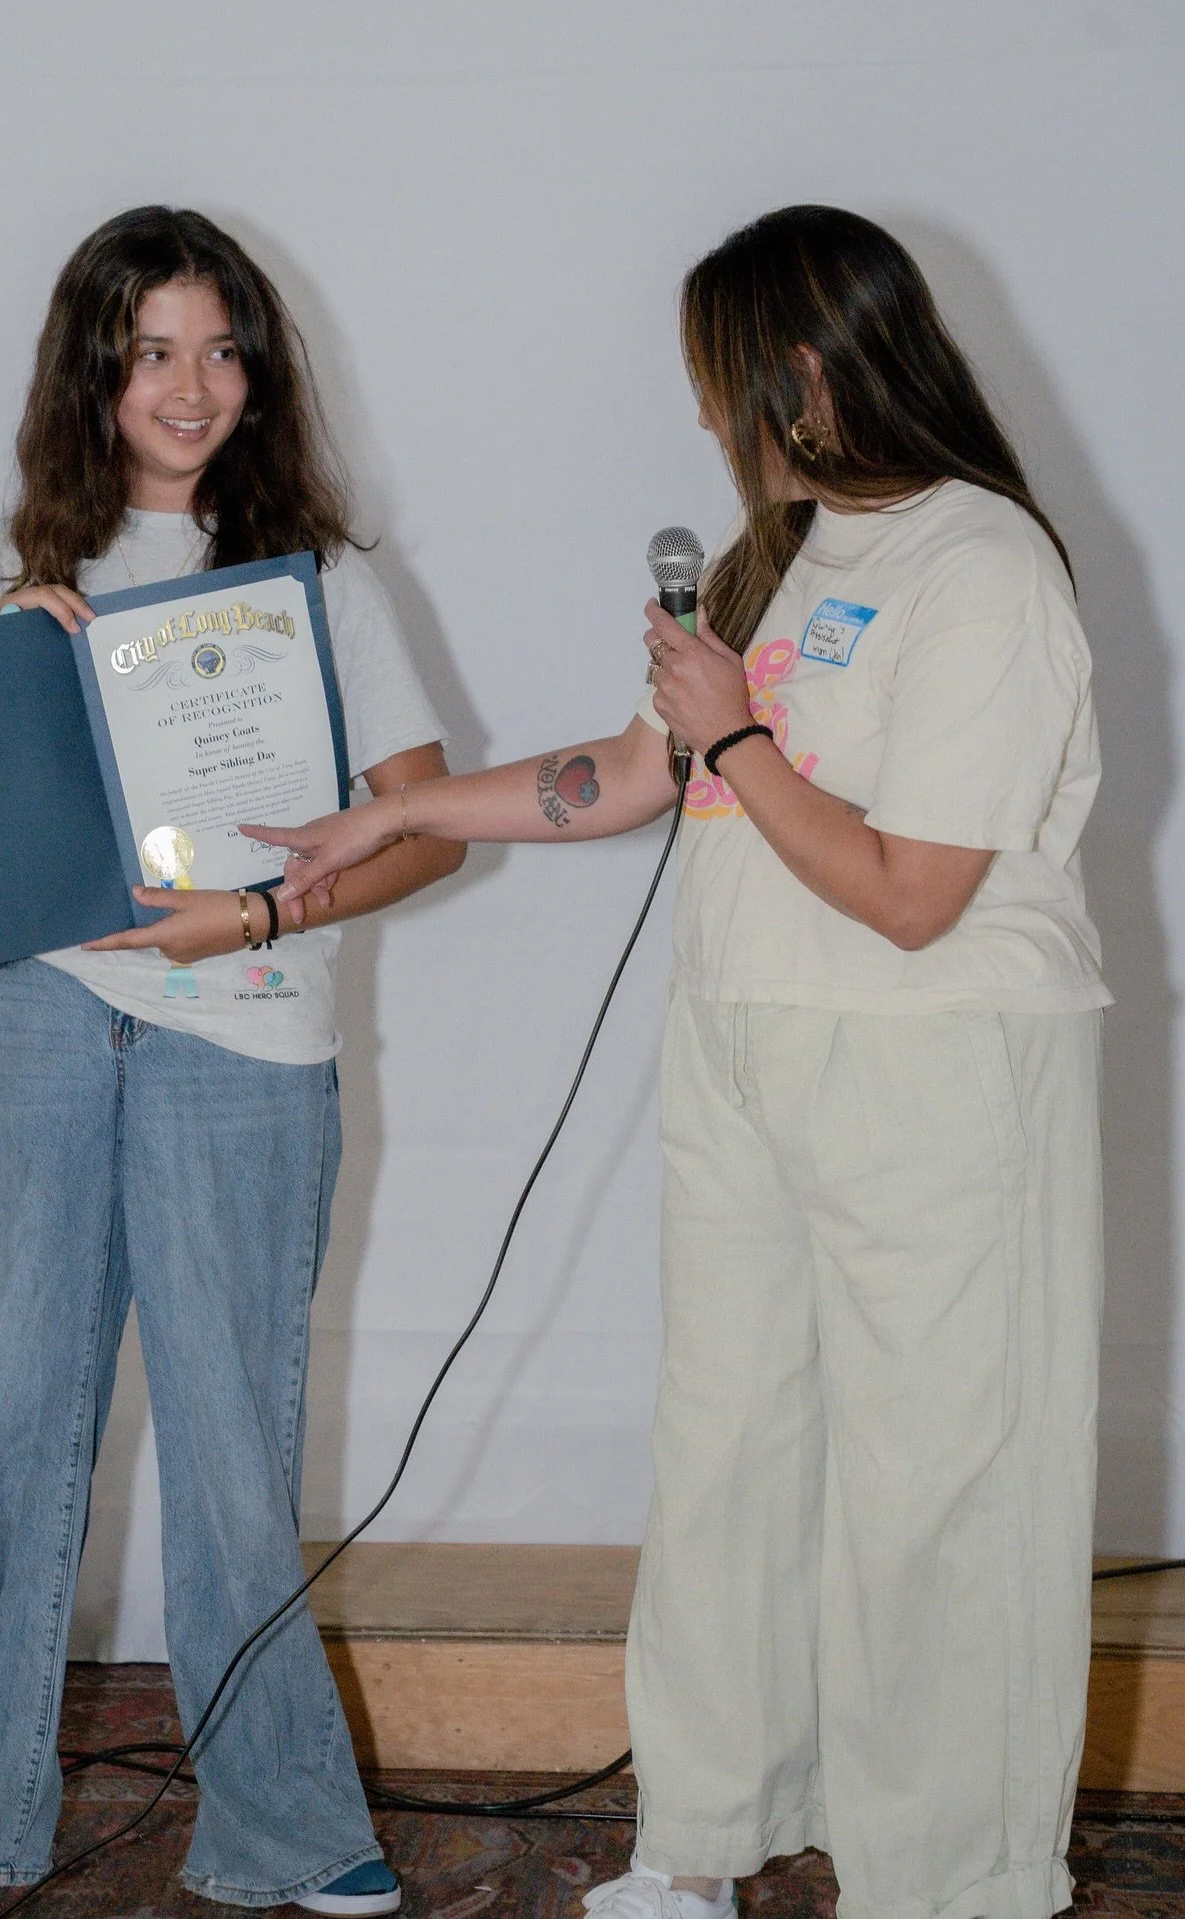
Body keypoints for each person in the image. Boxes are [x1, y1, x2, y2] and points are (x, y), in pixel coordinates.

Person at [241, 206, 1111, 1919]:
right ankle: (702, 1838)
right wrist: (393, 813)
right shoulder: (767, 559)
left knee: (940, 1484)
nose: (704, 416)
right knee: (728, 1451)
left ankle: (947, 1881)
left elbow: (911, 891)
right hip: (742, 1047)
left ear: (805, 368)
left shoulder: (984, 565)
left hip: (938, 1067)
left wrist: (738, 728)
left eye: (718, 380)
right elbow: (632, 774)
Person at [0, 205, 462, 1913]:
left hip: (242, 1036)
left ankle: (289, 1824)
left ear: (260, 369)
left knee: (235, 1448)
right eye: (154, 350)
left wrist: (252, 915)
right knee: (14, 1428)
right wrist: (5, 677)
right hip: (39, 1025)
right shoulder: (11, 559)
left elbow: (427, 829)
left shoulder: (320, 579)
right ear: (93, 368)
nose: (193, 386)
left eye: (222, 349)